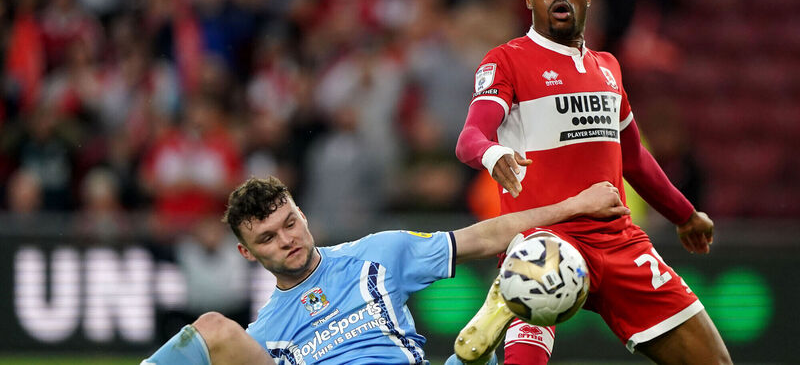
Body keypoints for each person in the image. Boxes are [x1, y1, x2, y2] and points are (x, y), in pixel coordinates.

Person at [453, 0, 731, 365]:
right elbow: (470, 137)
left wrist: (684, 215)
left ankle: (510, 300)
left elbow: (633, 157)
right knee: (534, 293)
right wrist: (492, 155)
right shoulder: (507, 60)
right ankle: (513, 294)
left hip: (619, 241)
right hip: (546, 240)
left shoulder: (608, 67)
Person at [141, 175, 628, 364]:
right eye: (267, 238)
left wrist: (573, 205)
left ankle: (487, 330)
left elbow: (483, 237)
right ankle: (482, 337)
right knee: (213, 329)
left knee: (527, 288)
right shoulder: (260, 337)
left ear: (303, 215)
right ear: (247, 253)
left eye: (290, 223)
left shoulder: (376, 254)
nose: (287, 239)